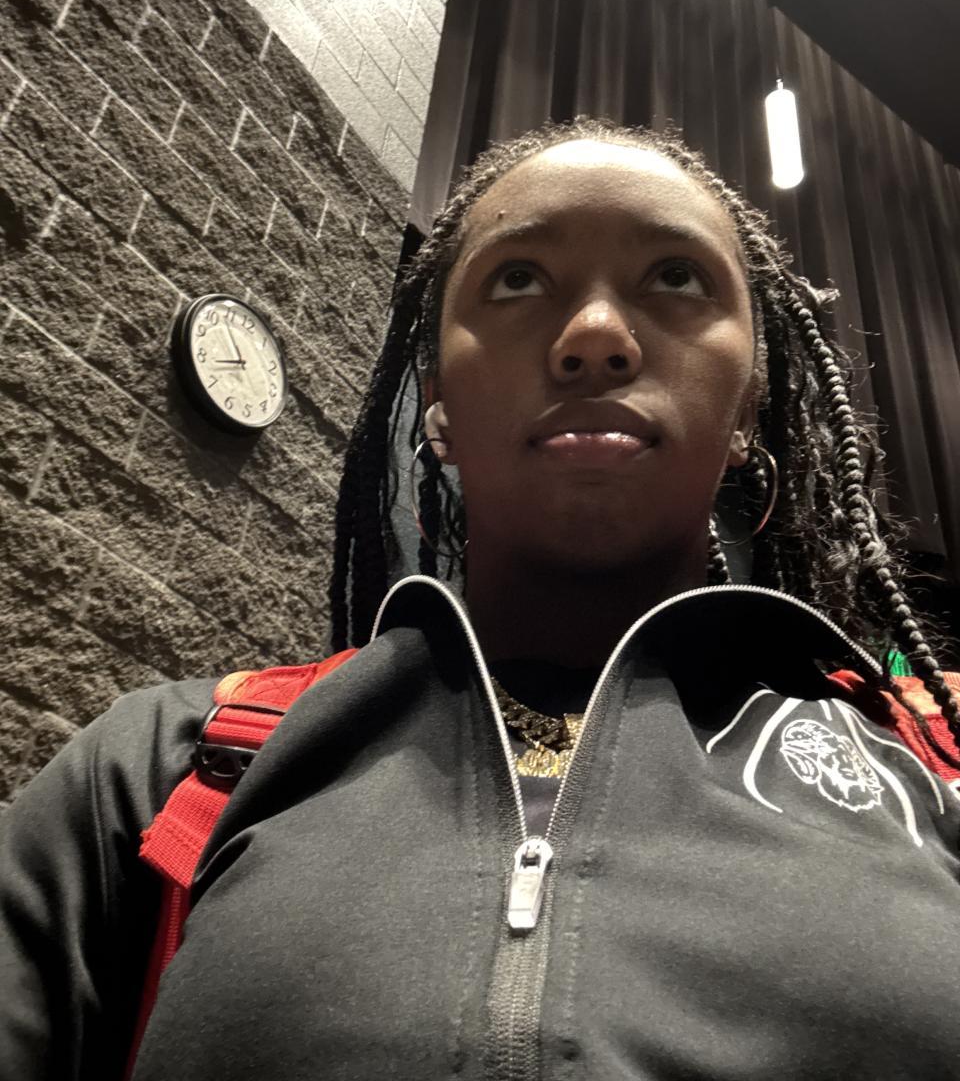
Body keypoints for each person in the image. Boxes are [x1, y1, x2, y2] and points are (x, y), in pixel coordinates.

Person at [3, 117, 960, 1081]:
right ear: (440, 403)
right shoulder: (167, 769)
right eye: (517, 279)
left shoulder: (935, 765)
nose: (596, 337)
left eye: (676, 276)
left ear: (750, 403)